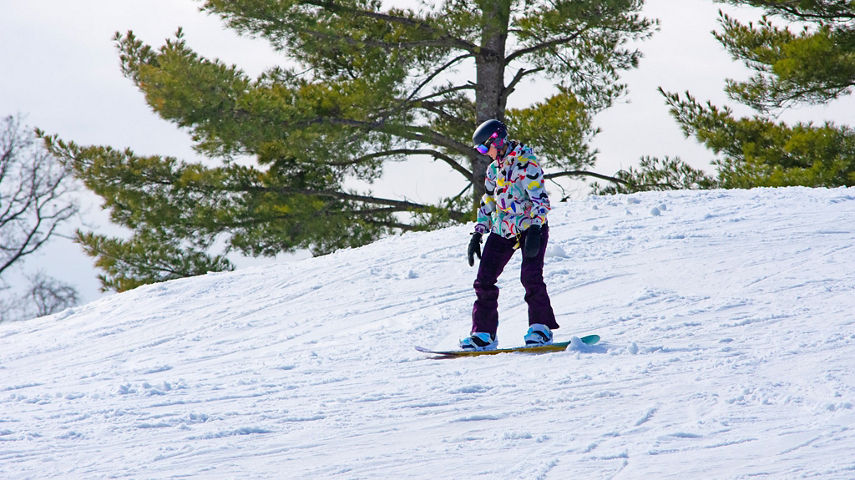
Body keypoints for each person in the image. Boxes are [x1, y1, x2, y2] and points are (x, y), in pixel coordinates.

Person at [462, 119, 559, 351]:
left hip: (530, 228)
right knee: (484, 280)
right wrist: (479, 231)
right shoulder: (494, 169)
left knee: (531, 277)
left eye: (485, 147)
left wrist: (535, 227)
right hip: (503, 228)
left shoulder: (526, 164)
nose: (484, 153)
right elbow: (488, 200)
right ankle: (483, 333)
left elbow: (541, 201)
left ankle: (540, 328)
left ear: (498, 139)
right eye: (480, 150)